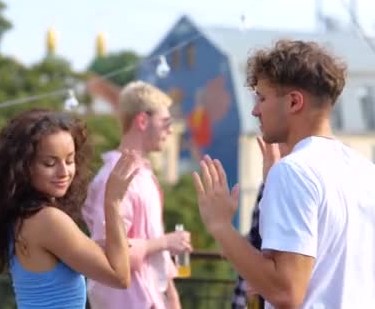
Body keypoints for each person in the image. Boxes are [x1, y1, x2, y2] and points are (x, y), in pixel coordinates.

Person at [192, 39, 375, 308]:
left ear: (293, 102)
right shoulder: (365, 170)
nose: (255, 110)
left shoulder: (293, 171)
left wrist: (220, 225)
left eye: (262, 98)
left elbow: (286, 292)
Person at [0, 109, 140, 309]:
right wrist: (113, 201)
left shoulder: (22, 216)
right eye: (50, 163)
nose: (64, 172)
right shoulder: (48, 220)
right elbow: (119, 277)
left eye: (70, 160)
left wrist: (101, 246)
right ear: (23, 167)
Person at [82, 81, 192, 309]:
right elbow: (109, 253)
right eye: (165, 122)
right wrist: (165, 242)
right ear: (142, 120)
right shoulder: (113, 179)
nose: (170, 130)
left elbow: (151, 243)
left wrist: (171, 297)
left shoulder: (143, 175)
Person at [231, 138, 288, 309]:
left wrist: (225, 233)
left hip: (263, 285)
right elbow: (258, 233)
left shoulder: (286, 182)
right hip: (256, 284)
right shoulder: (271, 182)